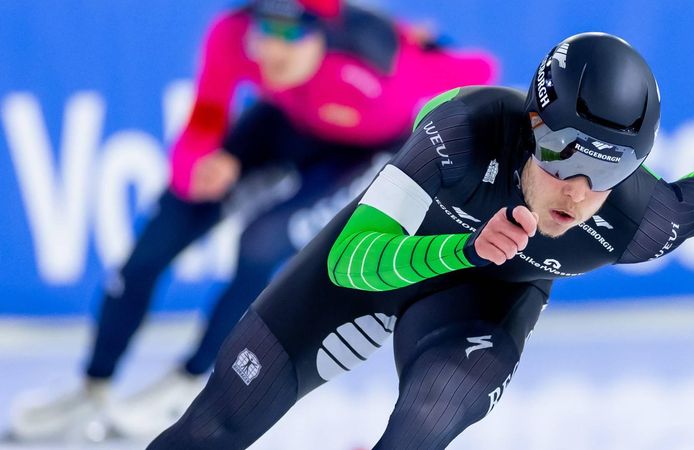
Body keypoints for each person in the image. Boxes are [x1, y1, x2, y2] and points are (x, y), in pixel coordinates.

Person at [146, 32, 694, 449]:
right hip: (388, 256)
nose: (580, 191)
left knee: (420, 430)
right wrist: (467, 248)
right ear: (534, 125)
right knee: (211, 430)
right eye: (566, 156)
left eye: (610, 169)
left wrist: (637, 177)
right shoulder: (461, 130)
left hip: (484, 303)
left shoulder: (639, 220)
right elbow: (350, 262)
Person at [9, 0, 497, 441]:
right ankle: (93, 385)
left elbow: (480, 76)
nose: (271, 50)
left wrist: (427, 46)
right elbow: (205, 116)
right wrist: (198, 164)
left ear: (325, 37)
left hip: (357, 153)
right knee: (159, 236)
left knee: (262, 243)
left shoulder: (378, 64)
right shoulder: (231, 35)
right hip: (282, 125)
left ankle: (191, 380)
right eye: (264, 31)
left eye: (291, 35)